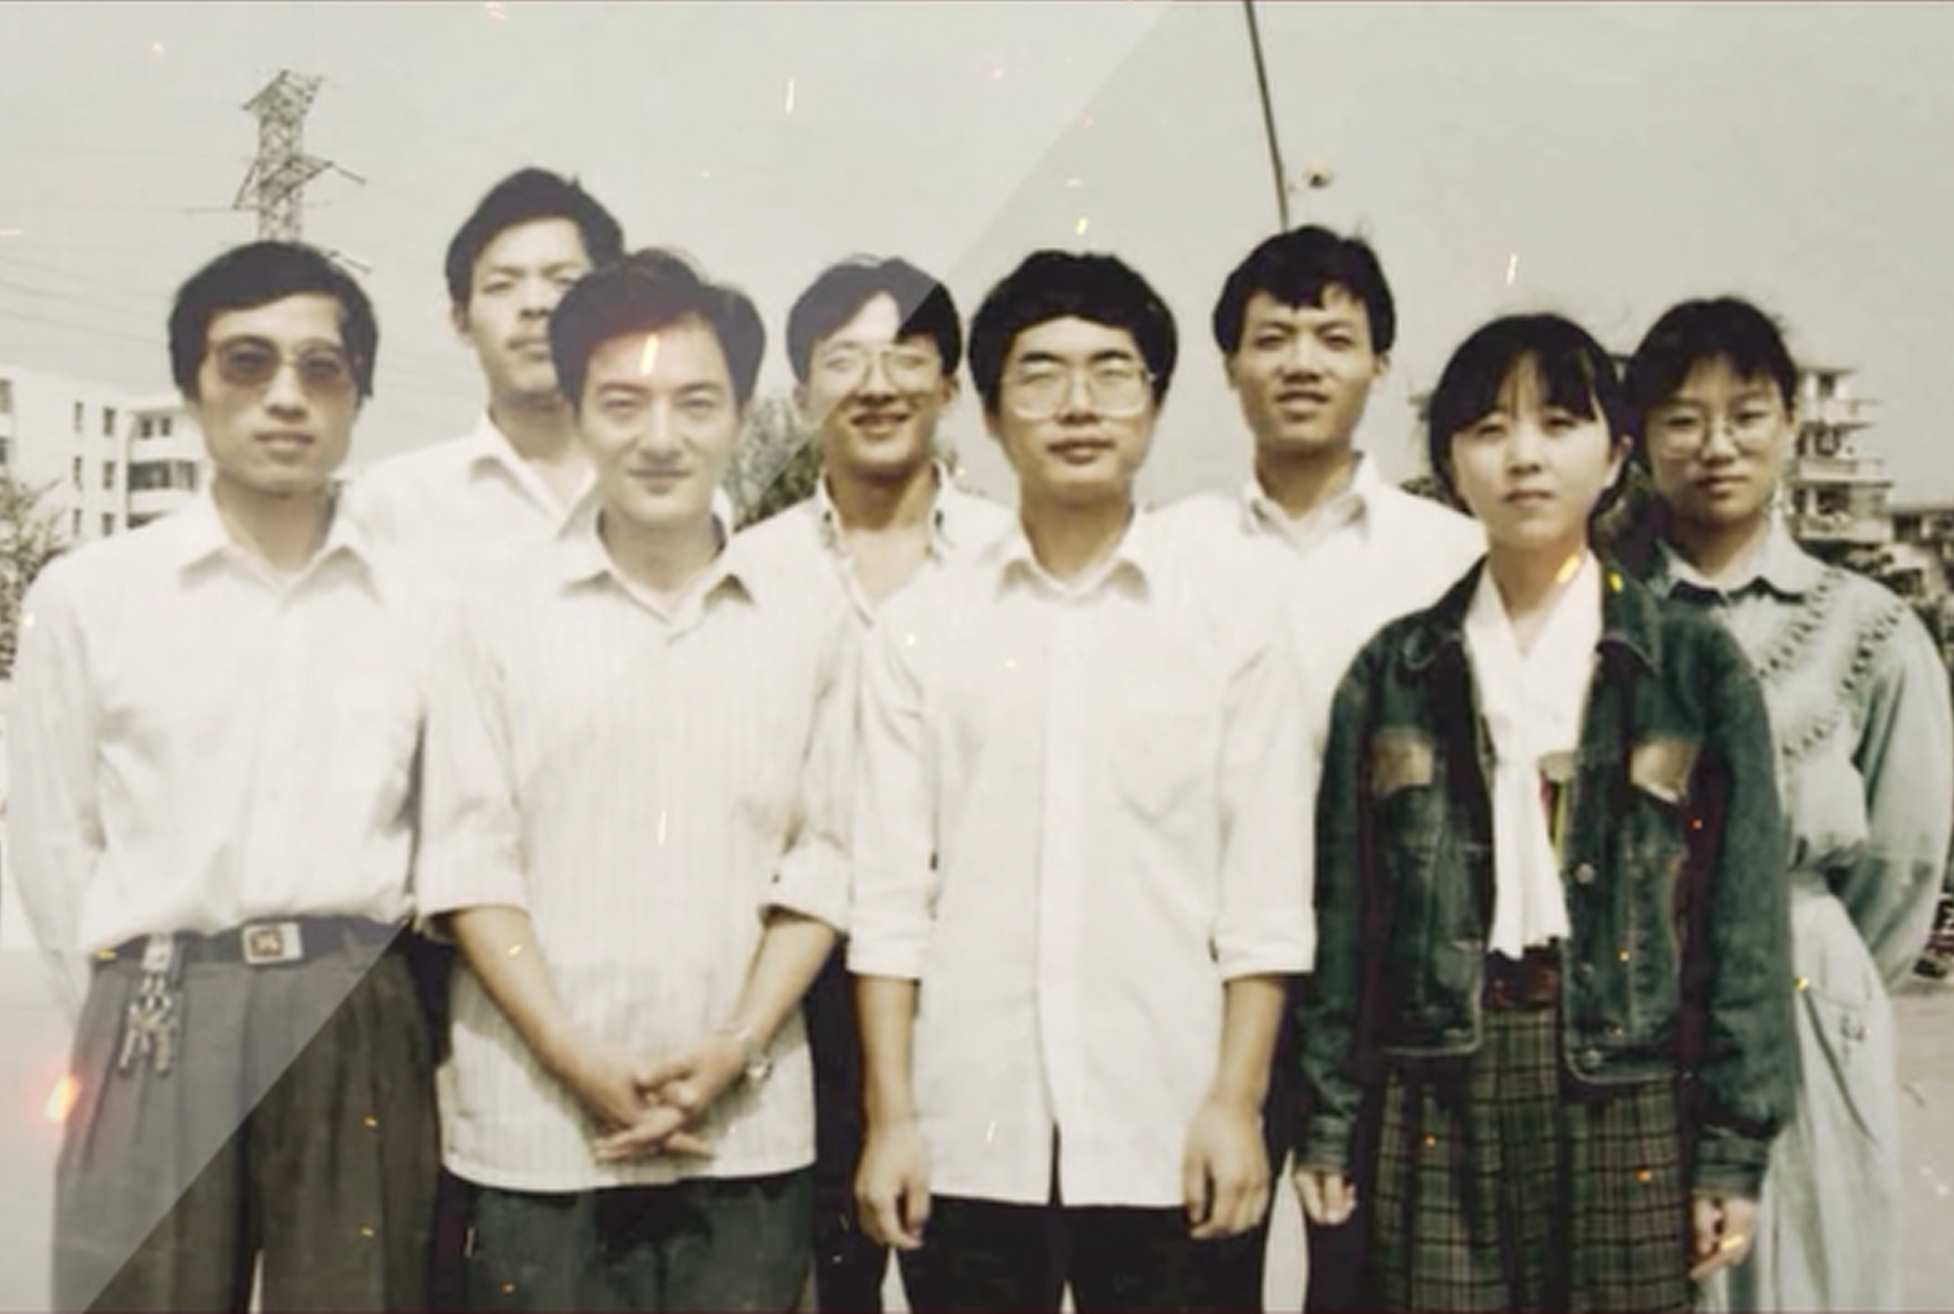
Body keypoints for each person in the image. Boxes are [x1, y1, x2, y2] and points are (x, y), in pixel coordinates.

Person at [1295, 313, 1798, 1312]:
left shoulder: (1691, 666)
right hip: (1436, 1082)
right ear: (1449, 464)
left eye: (1559, 423)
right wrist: (1329, 1117)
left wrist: (1731, 1150)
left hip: (1628, 1086)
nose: (1523, 455)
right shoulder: (1395, 670)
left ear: (1613, 456)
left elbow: (1741, 924)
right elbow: (1348, 920)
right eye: (1488, 429)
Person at [849, 249, 1314, 1312]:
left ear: (1155, 406)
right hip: (969, 1128)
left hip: (1170, 1122)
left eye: (1112, 374)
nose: (1077, 406)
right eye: (1040, 375)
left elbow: (1264, 900)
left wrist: (1235, 1103)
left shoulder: (1232, 617)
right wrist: (894, 1118)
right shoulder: (923, 626)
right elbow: (888, 900)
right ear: (987, 414)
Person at [416, 250, 854, 1311]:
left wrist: (734, 1049)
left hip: (745, 1137)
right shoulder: (494, 616)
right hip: (535, 1137)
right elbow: (471, 865)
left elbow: (827, 859)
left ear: (740, 414)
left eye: (695, 403)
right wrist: (573, 1057)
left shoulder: (808, 617)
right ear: (576, 411)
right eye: (623, 404)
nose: (661, 438)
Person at [10, 241, 439, 1311]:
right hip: (157, 1013)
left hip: (354, 1015)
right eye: (247, 363)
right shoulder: (92, 596)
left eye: (320, 368)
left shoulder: (422, 603)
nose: (285, 396)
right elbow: (54, 838)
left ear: (357, 396)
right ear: (193, 385)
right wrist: (126, 1005)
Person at [1623, 297, 1954, 1312]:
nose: (1716, 445)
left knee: (1814, 1266)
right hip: (1634, 995)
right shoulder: (1602, 615)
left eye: (1746, 415)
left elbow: (1903, 864)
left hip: (1810, 989)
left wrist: (1804, 963)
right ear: (1639, 439)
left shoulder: (1870, 628)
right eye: (1682, 419)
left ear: (1791, 426)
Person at [1175, 223, 1484, 1309]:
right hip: (1209, 979)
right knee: (1198, 1269)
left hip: (1396, 984)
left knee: (1374, 1277)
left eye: (1333, 338)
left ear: (1380, 364)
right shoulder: (1170, 551)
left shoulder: (1450, 557)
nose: (1301, 363)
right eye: (1272, 339)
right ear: (1229, 366)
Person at [740, 255, 1010, 1312]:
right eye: (844, 359)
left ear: (950, 386)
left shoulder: (1012, 559)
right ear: (803, 390)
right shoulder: (747, 571)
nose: (877, 385)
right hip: (792, 1000)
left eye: (906, 357)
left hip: (963, 993)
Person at [346, 166, 625, 571]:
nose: (535, 305)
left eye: (564, 282)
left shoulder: (671, 492)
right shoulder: (391, 503)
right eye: (501, 286)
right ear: (461, 322)